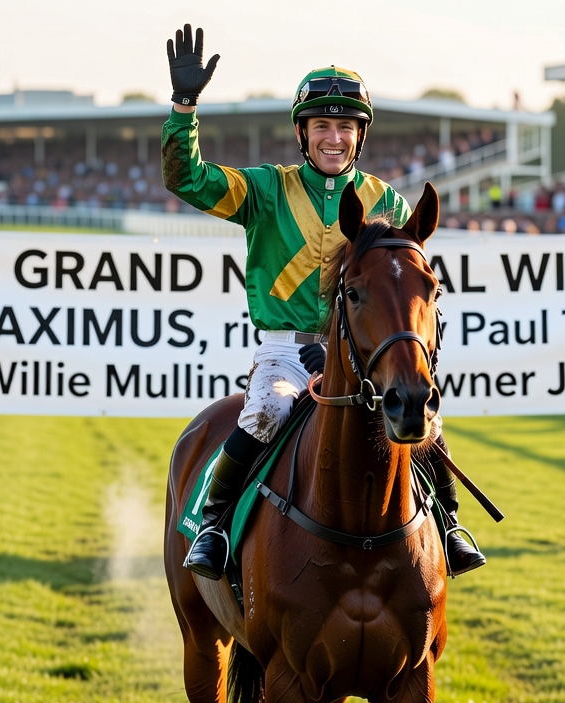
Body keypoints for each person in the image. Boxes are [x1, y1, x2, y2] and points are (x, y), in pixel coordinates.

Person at [160, 24, 484, 580]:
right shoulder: (264, 189)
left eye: (345, 127)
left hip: (364, 353)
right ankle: (214, 526)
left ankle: (449, 525)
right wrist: (183, 108)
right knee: (265, 412)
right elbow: (185, 178)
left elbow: (399, 288)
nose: (333, 138)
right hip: (286, 355)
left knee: (424, 419)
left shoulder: (386, 201)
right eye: (321, 127)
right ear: (302, 133)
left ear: (360, 136)